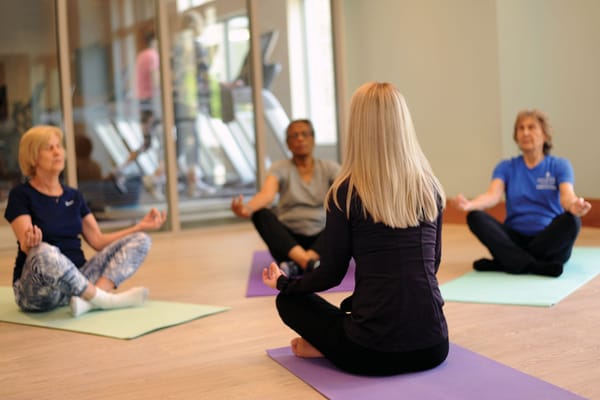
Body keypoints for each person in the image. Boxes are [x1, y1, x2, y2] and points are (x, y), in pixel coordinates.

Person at [262, 82, 448, 376]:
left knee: (289, 301)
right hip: (434, 346)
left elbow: (332, 274)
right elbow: (432, 264)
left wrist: (284, 284)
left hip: (370, 354)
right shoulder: (431, 188)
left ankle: (328, 347)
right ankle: (334, 341)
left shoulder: (346, 192)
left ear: (358, 128)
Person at [4, 125, 167, 317]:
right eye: (49, 148)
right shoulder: (21, 195)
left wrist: (140, 226)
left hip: (78, 282)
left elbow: (97, 241)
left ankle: (91, 300)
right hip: (40, 291)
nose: (58, 152)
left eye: (59, 146)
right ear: (33, 156)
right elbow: (27, 244)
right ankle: (104, 299)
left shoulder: (74, 196)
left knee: (141, 239)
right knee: (43, 251)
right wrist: (29, 242)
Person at [451, 109, 592, 277]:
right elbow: (492, 195)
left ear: (545, 135)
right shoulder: (506, 166)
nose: (525, 132)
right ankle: (534, 265)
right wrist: (469, 204)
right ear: (516, 136)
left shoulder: (560, 165)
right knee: (475, 217)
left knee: (572, 221)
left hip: (547, 239)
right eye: (521, 128)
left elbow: (567, 197)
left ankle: (507, 262)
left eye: (531, 127)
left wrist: (575, 205)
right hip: (514, 239)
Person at [232, 119, 340, 277]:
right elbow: (267, 194)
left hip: (321, 239)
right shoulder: (280, 168)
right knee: (261, 214)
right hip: (288, 243)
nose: (300, 139)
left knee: (345, 216)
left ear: (313, 139)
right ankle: (307, 262)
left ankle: (298, 265)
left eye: (305, 134)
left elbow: (346, 190)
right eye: (294, 136)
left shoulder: (329, 167)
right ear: (288, 144)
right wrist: (247, 208)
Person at [135, 30, 160, 115]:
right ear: (154, 41)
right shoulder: (153, 55)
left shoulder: (141, 55)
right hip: (151, 97)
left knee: (146, 125)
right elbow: (155, 80)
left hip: (141, 96)